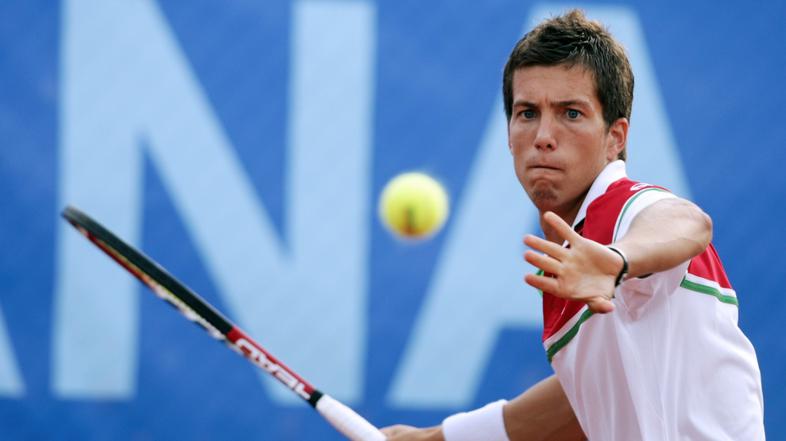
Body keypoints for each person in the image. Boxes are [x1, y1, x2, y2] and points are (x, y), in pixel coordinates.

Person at [382, 9, 764, 441]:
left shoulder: (621, 211)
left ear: (615, 138)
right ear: (508, 135)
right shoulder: (575, 255)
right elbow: (579, 402)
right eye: (527, 113)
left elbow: (688, 222)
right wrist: (435, 438)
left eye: (571, 113)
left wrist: (617, 260)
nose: (544, 135)